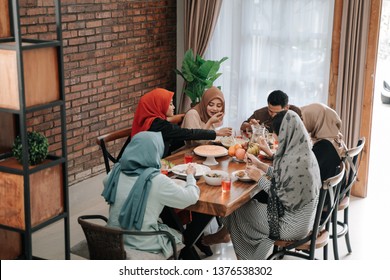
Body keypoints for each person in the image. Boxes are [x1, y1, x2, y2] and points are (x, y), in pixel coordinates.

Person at [209, 110, 321, 259]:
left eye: (279, 139)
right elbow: (286, 179)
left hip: (292, 225)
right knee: (243, 207)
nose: (279, 143)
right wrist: (261, 165)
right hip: (304, 219)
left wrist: (259, 178)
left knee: (237, 209)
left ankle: (247, 259)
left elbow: (282, 198)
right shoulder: (303, 151)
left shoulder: (297, 161)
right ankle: (241, 253)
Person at [101, 131, 200, 258]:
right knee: (178, 235)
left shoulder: (115, 173)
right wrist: (190, 176)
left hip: (113, 238)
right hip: (142, 242)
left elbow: (106, 183)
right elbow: (191, 197)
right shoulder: (156, 180)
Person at [131, 88, 232, 157]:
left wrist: (177, 118)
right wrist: (216, 133)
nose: (174, 107)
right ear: (158, 105)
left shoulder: (151, 121)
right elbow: (188, 133)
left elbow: (166, 122)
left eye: (219, 106)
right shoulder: (158, 125)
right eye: (170, 104)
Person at [301, 103, 347, 181]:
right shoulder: (335, 140)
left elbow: (303, 170)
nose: (302, 123)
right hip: (330, 189)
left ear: (315, 120)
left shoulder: (323, 147)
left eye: (305, 119)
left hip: (320, 190)